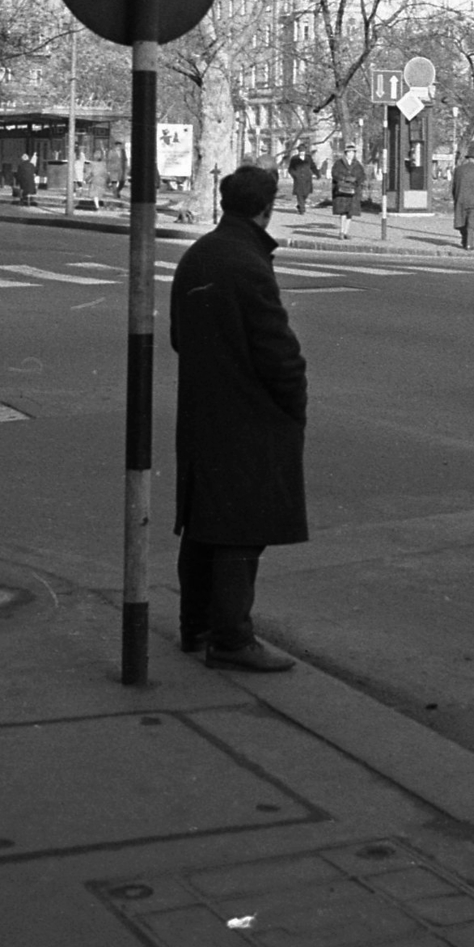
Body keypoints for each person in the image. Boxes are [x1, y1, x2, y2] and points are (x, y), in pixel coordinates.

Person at [170, 165, 306, 672]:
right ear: (267, 207)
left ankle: (197, 625)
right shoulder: (248, 262)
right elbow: (278, 353)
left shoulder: (199, 253)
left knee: (206, 520)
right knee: (242, 527)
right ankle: (230, 638)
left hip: (204, 408)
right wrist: (294, 404)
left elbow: (180, 337)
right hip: (248, 412)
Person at [331, 145, 363, 239]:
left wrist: (356, 180)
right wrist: (344, 179)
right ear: (346, 153)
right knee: (342, 212)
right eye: (349, 152)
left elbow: (362, 176)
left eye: (353, 152)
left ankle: (346, 232)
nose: (351, 154)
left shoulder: (357, 164)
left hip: (353, 191)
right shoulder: (339, 163)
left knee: (350, 212)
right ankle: (341, 231)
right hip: (342, 191)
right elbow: (334, 174)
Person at [286, 141, 317, 215]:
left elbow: (313, 166)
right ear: (298, 151)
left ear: (305, 151)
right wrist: (295, 175)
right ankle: (302, 209)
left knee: (306, 193)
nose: (302, 152)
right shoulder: (294, 158)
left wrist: (317, 173)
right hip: (298, 179)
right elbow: (290, 169)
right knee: (299, 194)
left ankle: (300, 205)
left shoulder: (308, 158)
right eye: (300, 151)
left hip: (307, 179)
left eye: (303, 151)